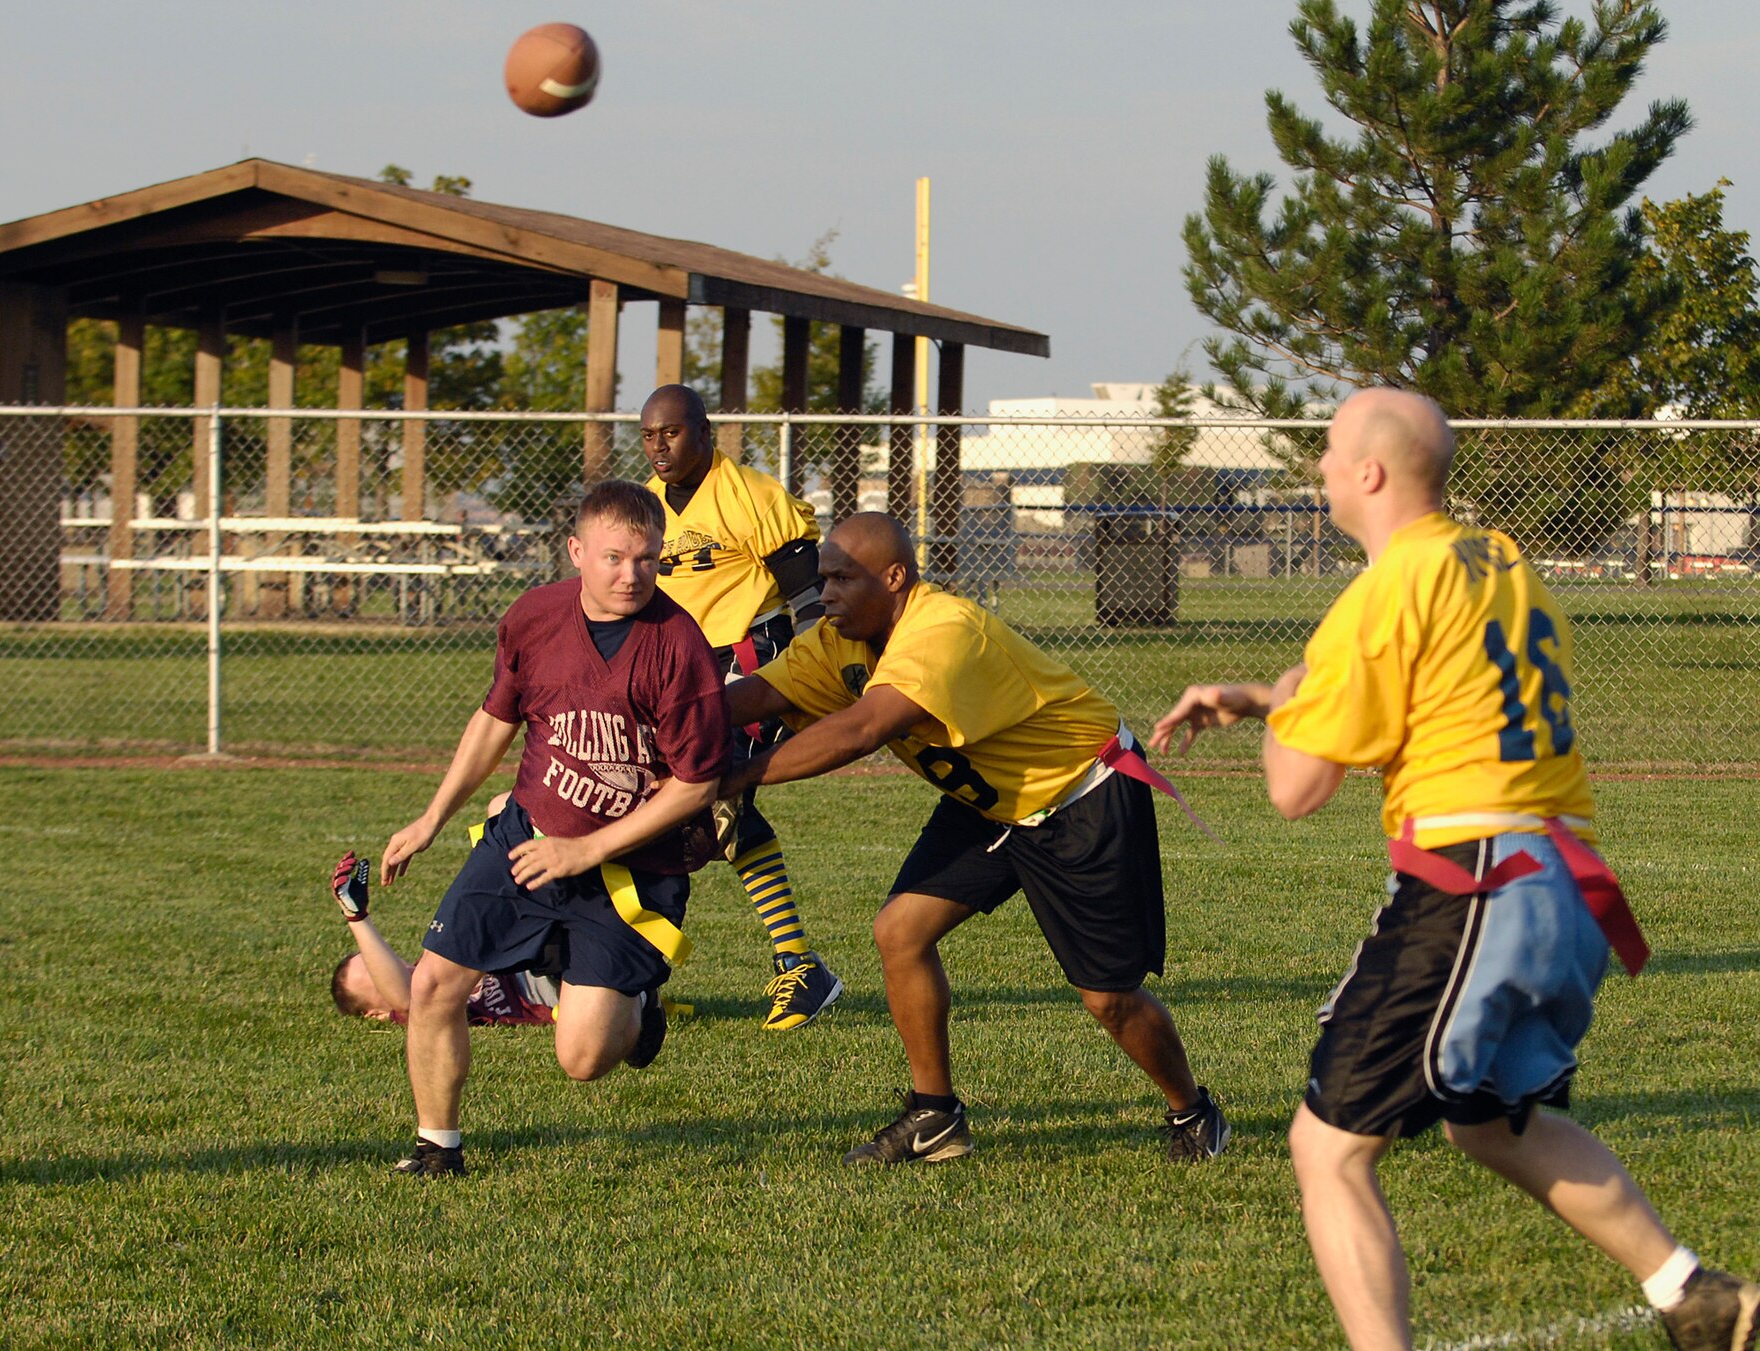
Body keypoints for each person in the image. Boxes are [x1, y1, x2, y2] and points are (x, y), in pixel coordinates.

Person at [1151, 388, 1760, 1351]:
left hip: (1468, 882)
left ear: (1374, 475)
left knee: (1326, 1147)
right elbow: (1430, 694)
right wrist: (1270, 692)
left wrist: (1283, 703)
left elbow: (1296, 789)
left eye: (1332, 453)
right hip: (1560, 884)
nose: (1321, 472)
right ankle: (1692, 1292)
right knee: (1490, 1119)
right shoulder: (1495, 559)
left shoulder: (1382, 586)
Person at [726, 512, 1227, 1166]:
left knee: (1109, 995)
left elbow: (859, 731)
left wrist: (723, 780)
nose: (826, 594)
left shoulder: (941, 629)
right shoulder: (839, 640)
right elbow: (756, 695)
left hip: (1078, 790)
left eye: (844, 578)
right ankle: (935, 1117)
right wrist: (650, 727)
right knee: (900, 931)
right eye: (822, 578)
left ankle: (1194, 1111)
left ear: (896, 576)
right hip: (989, 800)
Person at [378, 480, 730, 1178]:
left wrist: (587, 849)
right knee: (434, 985)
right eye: (614, 557)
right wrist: (431, 817)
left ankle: (635, 1000)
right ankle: (437, 1146)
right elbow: (494, 722)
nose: (631, 574)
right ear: (576, 551)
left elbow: (697, 783)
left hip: (627, 866)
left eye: (647, 559)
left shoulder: (678, 645)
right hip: (529, 837)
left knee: (583, 1059)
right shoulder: (533, 617)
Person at [641, 383, 845, 1031]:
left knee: (713, 799)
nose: (659, 445)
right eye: (649, 435)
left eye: (671, 432)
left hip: (748, 657)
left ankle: (799, 965)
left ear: (706, 432)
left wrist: (822, 668)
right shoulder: (644, 505)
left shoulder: (751, 495)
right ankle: (638, 980)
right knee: (656, 805)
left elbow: (808, 590)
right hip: (675, 669)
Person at [327, 849, 558, 1025]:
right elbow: (408, 998)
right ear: (376, 1015)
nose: (393, 963)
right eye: (376, 973)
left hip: (534, 939)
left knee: (498, 807)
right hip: (545, 982)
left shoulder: (434, 964)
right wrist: (357, 918)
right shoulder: (421, 1006)